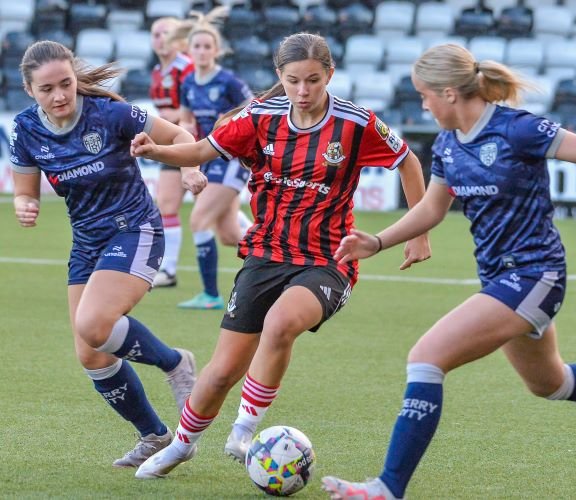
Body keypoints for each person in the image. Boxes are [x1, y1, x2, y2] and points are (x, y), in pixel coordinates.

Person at [320, 43, 576, 500]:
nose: (422, 104)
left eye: (425, 95)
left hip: (537, 274)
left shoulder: (518, 129)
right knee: (550, 383)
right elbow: (433, 209)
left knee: (426, 357)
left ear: (450, 93)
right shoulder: (446, 144)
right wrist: (377, 242)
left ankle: (387, 488)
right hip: (500, 278)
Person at [129, 32, 432, 479]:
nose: (304, 91)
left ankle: (244, 431)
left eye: (313, 80)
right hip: (266, 253)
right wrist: (157, 151)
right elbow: (199, 150)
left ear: (330, 74)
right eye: (293, 81)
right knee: (218, 373)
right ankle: (180, 445)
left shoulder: (356, 123)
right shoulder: (258, 117)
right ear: (280, 77)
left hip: (330, 257)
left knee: (281, 323)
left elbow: (408, 161)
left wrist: (418, 232)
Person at [10, 40, 207, 468]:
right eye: (47, 89)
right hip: (87, 241)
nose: (60, 95)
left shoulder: (110, 114)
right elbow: (25, 191)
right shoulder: (25, 130)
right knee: (91, 352)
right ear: (29, 90)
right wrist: (24, 205)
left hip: (135, 229)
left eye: (66, 83)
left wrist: (188, 167)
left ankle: (175, 365)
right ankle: (154, 435)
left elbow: (179, 135)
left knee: (94, 324)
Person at [175, 9, 254, 310]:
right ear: (190, 49)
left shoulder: (229, 82)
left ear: (217, 50)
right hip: (208, 158)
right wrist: (183, 143)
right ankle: (279, 255)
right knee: (229, 235)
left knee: (198, 220)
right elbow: (185, 121)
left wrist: (232, 129)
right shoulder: (189, 84)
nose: (203, 51)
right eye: (198, 46)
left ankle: (210, 295)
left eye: (208, 46)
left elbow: (252, 111)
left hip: (232, 159)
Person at [149, 16, 195, 288]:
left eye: (166, 33)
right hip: (173, 144)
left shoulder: (187, 67)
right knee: (166, 203)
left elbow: (196, 102)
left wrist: (175, 114)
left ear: (179, 39)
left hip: (197, 141)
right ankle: (167, 270)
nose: (160, 38)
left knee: (215, 213)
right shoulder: (157, 71)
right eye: (155, 34)